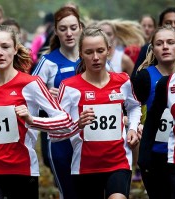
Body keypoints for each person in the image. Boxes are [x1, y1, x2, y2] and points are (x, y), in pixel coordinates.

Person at [0, 25, 74, 199]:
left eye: (5, 47)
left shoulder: (31, 84)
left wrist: (32, 120)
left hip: (23, 169)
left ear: (15, 49)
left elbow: (65, 121)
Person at [50, 27, 141, 199]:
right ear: (81, 54)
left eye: (100, 51)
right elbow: (55, 133)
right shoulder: (69, 87)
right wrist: (77, 125)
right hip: (85, 165)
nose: (96, 57)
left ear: (109, 50)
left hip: (118, 161)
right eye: (89, 52)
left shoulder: (123, 81)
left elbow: (134, 106)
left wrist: (133, 128)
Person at [32, 6, 82, 199]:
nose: (69, 33)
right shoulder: (47, 62)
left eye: (73, 27)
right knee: (68, 193)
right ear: (55, 30)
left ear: (80, 28)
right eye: (63, 29)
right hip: (60, 138)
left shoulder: (93, 58)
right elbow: (30, 97)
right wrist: (47, 97)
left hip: (91, 137)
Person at [138, 23, 175, 199]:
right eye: (160, 43)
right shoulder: (150, 79)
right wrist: (135, 126)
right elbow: (140, 111)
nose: (166, 47)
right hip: (166, 155)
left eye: (170, 42)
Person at [132, 7, 175, 77]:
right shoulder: (147, 49)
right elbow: (135, 78)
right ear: (160, 25)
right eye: (168, 23)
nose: (173, 25)